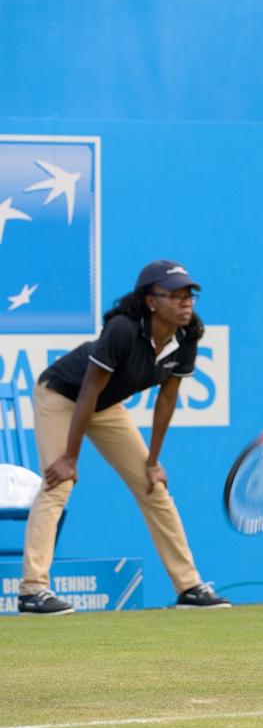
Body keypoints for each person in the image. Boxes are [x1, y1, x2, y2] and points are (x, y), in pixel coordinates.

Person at [18, 260, 230, 614]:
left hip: (105, 405)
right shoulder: (122, 329)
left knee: (154, 487)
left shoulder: (188, 332)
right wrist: (70, 458)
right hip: (62, 395)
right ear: (151, 301)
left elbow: (167, 397)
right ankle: (32, 590)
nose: (186, 303)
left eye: (188, 295)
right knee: (59, 482)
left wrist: (152, 462)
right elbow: (87, 391)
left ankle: (189, 586)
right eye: (175, 295)